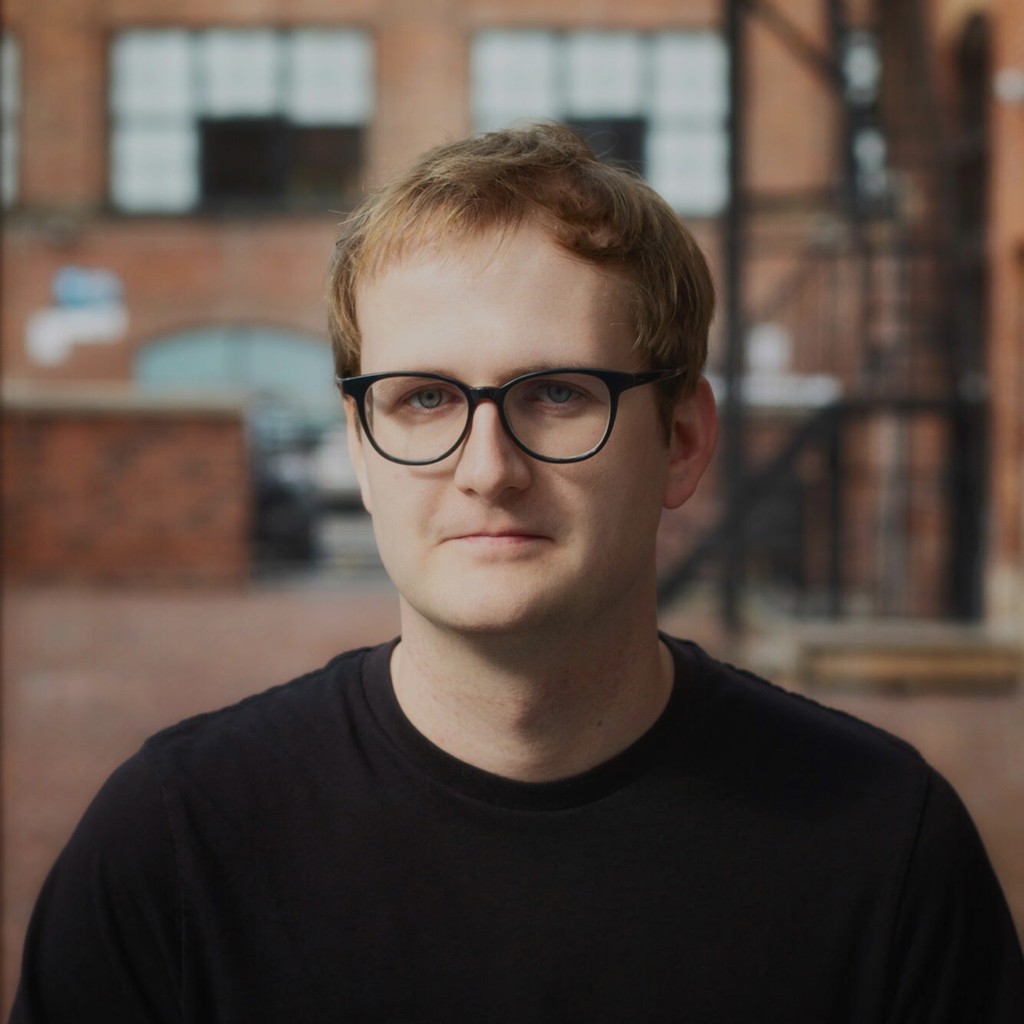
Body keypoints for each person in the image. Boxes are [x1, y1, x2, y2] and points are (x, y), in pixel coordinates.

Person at [11, 122, 1023, 1022]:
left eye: (555, 393)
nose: (487, 469)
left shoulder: (882, 844)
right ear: (360, 452)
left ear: (680, 439)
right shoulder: (175, 842)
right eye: (421, 401)